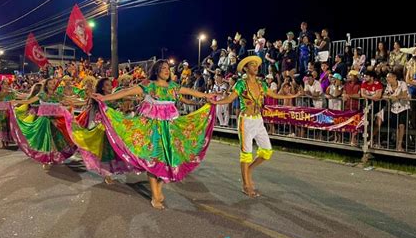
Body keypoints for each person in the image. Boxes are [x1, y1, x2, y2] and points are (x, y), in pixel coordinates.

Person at [93, 60, 216, 210]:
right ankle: (155, 195)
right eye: (163, 68)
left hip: (170, 129)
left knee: (171, 159)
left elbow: (190, 92)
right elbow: (126, 92)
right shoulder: (149, 85)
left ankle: (159, 186)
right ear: (156, 71)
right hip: (153, 129)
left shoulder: (173, 87)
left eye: (168, 68)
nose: (166, 71)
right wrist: (104, 98)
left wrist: (206, 95)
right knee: (153, 159)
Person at [210, 56, 299, 198]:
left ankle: (249, 170)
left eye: (256, 65)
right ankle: (246, 185)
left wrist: (293, 94)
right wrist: (216, 103)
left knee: (267, 151)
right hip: (246, 121)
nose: (255, 67)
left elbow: (273, 95)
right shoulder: (241, 84)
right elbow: (230, 99)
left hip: (258, 120)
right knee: (246, 154)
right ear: (246, 68)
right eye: (252, 65)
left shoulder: (261, 83)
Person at [71, 78, 134, 184]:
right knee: (106, 152)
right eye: (107, 85)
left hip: (113, 128)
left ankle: (111, 172)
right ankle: (107, 175)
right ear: (102, 88)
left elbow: (125, 96)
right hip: (103, 129)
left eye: (110, 85)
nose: (110, 87)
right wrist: (73, 100)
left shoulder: (114, 98)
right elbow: (85, 102)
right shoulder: (98, 98)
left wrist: (138, 96)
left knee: (115, 151)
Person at [9, 78, 77, 170]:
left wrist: (83, 100)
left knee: (56, 141)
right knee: (46, 141)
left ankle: (52, 158)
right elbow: (28, 101)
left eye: (53, 83)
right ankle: (46, 160)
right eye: (50, 83)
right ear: (46, 85)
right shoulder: (41, 95)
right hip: (44, 120)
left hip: (55, 120)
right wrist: (16, 101)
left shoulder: (57, 95)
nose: (52, 85)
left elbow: (68, 99)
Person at [383, 72, 410, 152]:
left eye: (389, 77)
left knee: (402, 126)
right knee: (397, 127)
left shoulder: (402, 84)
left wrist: (396, 97)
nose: (387, 79)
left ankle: (399, 145)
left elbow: (405, 95)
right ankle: (397, 145)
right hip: (394, 109)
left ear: (394, 77)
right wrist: (389, 97)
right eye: (387, 77)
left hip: (403, 107)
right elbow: (384, 96)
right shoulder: (388, 86)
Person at [360, 71, 384, 147]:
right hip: (368, 106)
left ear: (372, 77)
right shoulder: (364, 83)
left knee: (378, 124)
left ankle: (372, 139)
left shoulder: (378, 85)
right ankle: (369, 140)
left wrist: (368, 96)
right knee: (368, 123)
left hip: (379, 106)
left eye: (366, 76)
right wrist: (372, 97)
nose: (365, 78)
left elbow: (378, 96)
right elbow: (362, 94)